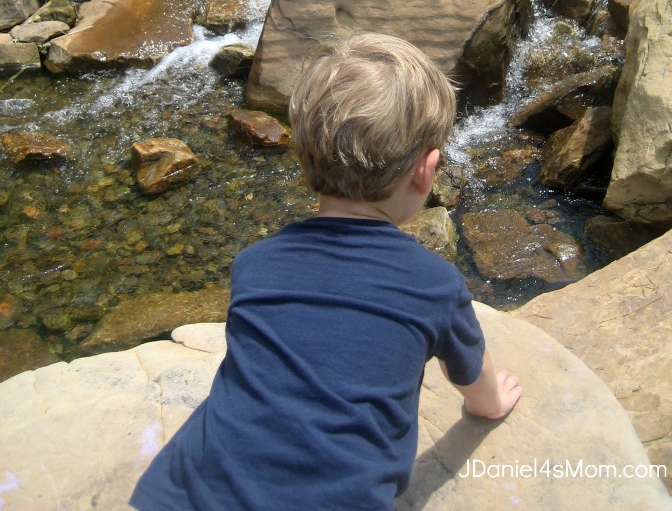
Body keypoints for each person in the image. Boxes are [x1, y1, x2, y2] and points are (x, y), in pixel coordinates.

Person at [130, 31, 522, 511]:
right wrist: (492, 403)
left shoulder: (255, 264)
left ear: (303, 153)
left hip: (186, 494)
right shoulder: (433, 284)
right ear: (426, 170)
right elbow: (476, 386)